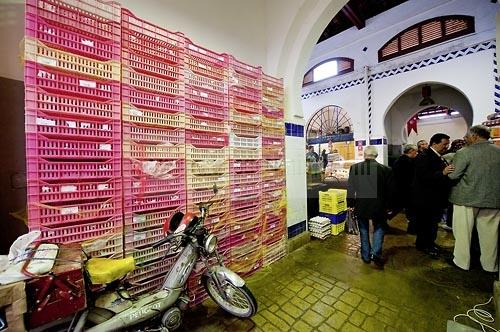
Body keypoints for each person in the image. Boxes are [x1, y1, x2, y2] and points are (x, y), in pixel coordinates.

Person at [447, 125, 500, 272]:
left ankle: (462, 262)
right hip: (494, 199)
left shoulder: (465, 152)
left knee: (463, 233)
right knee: (490, 235)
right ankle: (490, 265)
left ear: (475, 136)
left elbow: (453, 175)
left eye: (467, 136)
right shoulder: (498, 151)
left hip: (466, 199)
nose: (465, 139)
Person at [347, 146, 394, 269]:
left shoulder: (355, 168)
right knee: (379, 227)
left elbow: (351, 188)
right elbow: (390, 191)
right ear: (376, 155)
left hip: (361, 204)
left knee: (363, 229)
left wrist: (350, 204)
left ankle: (366, 256)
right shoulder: (386, 170)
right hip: (380, 205)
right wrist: (389, 206)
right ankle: (376, 253)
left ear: (364, 155)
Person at [412, 133, 455, 257]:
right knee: (426, 224)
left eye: (447, 144)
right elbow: (423, 176)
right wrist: (442, 172)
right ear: (434, 144)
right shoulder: (424, 156)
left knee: (432, 223)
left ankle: (429, 242)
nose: (446, 147)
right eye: (444, 144)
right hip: (426, 198)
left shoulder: (438, 156)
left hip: (434, 198)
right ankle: (424, 245)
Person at [441, 138, 466, 231]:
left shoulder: (448, 156)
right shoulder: (464, 155)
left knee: (450, 205)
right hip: (461, 185)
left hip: (450, 184)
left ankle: (449, 223)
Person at [392, 144, 418, 234]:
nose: (417, 153)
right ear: (411, 151)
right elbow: (408, 177)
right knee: (408, 210)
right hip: (406, 190)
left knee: (401, 208)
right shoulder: (407, 162)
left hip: (401, 189)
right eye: (416, 151)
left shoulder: (400, 160)